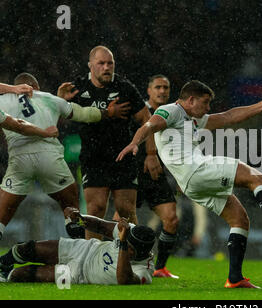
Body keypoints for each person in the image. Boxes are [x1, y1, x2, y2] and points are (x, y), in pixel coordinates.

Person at [117, 80, 262, 289]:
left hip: (192, 183)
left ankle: (235, 278)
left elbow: (227, 117)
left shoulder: (192, 119)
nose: (208, 108)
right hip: (196, 170)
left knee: (239, 219)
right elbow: (150, 124)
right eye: (206, 102)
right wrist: (133, 143)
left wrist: (261, 105)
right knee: (258, 178)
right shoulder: (172, 110)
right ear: (190, 100)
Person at [0, 73, 130, 240]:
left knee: (2, 217)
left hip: (19, 159)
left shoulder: (3, 100)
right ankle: (76, 235)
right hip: (49, 158)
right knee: (71, 208)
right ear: (36, 87)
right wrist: (108, 112)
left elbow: (18, 123)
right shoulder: (49, 98)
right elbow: (84, 114)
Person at [58, 46, 161, 240]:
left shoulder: (124, 88)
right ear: (90, 66)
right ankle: (91, 261)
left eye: (110, 63)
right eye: (101, 63)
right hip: (94, 157)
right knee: (95, 210)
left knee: (126, 212)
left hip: (122, 157)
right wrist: (59, 101)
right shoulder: (78, 88)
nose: (107, 67)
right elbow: (58, 119)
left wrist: (151, 153)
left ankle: (133, 258)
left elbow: (147, 119)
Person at [113, 74, 179, 278]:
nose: (162, 91)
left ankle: (160, 268)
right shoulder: (138, 110)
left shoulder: (172, 114)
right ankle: (113, 259)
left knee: (171, 218)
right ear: (148, 90)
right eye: (158, 87)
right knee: (120, 219)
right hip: (133, 172)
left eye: (165, 88)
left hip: (156, 175)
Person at [0, 207, 155, 285]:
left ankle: (5, 275)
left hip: (77, 274)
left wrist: (122, 242)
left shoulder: (144, 272)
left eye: (130, 248)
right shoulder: (130, 231)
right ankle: (2, 264)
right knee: (27, 248)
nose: (126, 248)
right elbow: (100, 226)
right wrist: (79, 219)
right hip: (82, 249)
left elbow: (124, 279)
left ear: (140, 252)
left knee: (23, 274)